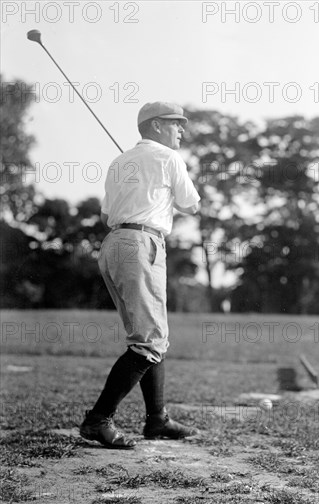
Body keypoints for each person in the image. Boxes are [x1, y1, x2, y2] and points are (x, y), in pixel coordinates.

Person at [80, 101, 201, 449]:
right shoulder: (168, 158)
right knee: (149, 340)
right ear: (157, 126)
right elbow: (191, 204)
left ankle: (157, 419)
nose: (182, 131)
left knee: (151, 336)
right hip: (141, 244)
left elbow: (107, 214)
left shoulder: (120, 162)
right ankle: (98, 419)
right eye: (177, 124)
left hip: (115, 244)